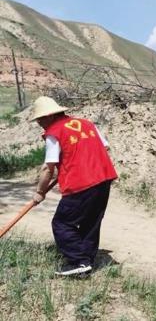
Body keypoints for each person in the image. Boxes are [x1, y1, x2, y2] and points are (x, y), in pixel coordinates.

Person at [31, 96, 118, 276]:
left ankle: (78, 260)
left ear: (49, 116)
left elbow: (48, 168)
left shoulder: (54, 132)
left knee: (62, 223)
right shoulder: (86, 123)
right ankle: (86, 262)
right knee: (91, 222)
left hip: (81, 183)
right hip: (104, 177)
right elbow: (105, 147)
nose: (39, 123)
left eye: (39, 119)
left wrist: (40, 192)